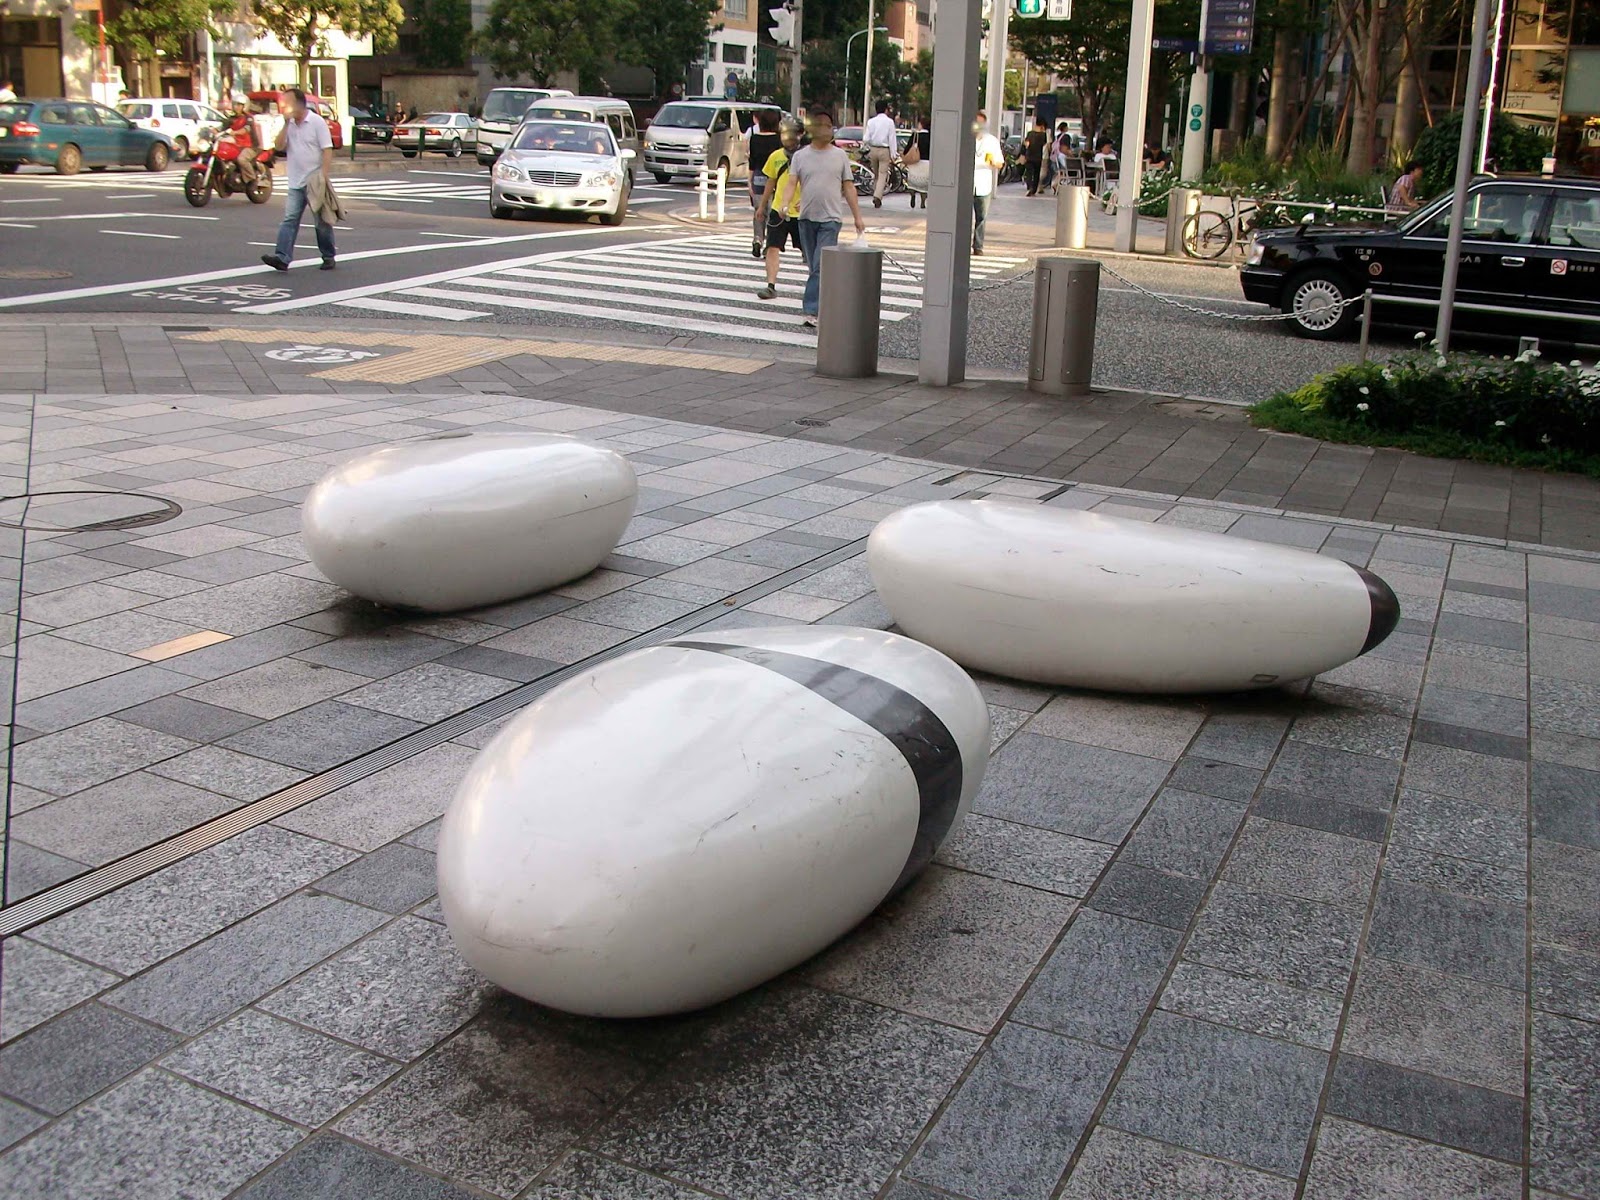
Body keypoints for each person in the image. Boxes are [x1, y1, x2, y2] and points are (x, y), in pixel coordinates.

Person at [787, 108, 865, 328]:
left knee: (820, 265)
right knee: (814, 266)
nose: (826, 129)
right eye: (821, 125)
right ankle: (827, 303)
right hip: (806, 218)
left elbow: (848, 187)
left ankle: (811, 309)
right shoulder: (800, 156)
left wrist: (857, 217)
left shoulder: (840, 156)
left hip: (831, 219)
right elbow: (792, 183)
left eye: (829, 126)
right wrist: (784, 204)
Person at [261, 86, 336, 272]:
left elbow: (327, 149)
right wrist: (286, 124)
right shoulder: (290, 125)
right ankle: (282, 257)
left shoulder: (316, 122)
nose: (284, 107)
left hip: (314, 180)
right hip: (295, 181)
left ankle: (328, 255)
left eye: (287, 103)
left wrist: (323, 175)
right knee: (290, 219)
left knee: (321, 222)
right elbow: (279, 146)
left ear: (299, 104)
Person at [753, 117, 805, 301]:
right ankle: (770, 285)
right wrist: (762, 206)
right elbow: (771, 181)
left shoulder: (808, 157)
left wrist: (808, 200)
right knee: (772, 247)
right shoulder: (776, 156)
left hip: (802, 212)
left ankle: (819, 287)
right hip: (778, 210)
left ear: (800, 135)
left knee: (809, 252)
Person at [747, 108, 782, 258]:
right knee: (772, 212)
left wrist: (749, 182)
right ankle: (769, 245)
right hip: (776, 179)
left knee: (759, 210)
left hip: (758, 177)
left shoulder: (754, 139)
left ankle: (757, 239)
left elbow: (752, 162)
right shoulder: (778, 139)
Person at [972, 109, 1004, 255]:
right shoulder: (965, 138)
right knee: (963, 217)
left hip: (983, 182)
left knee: (981, 217)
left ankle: (978, 246)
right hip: (966, 182)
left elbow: (1000, 163)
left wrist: (993, 162)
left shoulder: (991, 141)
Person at [863, 99, 897, 208]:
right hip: (884, 150)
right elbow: (892, 139)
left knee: (876, 174)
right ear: (886, 109)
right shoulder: (889, 122)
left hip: (873, 150)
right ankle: (877, 196)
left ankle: (875, 192)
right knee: (883, 174)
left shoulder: (871, 122)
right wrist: (893, 154)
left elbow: (866, 138)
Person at [905, 114, 930, 209]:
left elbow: (907, 148)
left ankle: (912, 195)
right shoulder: (931, 136)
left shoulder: (916, 136)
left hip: (915, 162)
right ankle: (923, 201)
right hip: (927, 163)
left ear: (921, 124)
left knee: (913, 183)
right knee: (924, 185)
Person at [1023, 116, 1048, 196]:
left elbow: (1026, 144)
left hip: (1029, 156)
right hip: (1038, 157)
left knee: (1029, 173)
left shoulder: (1030, 133)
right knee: (1036, 173)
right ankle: (1034, 190)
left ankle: (1029, 187)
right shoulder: (1043, 135)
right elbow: (1044, 144)